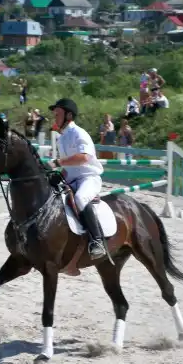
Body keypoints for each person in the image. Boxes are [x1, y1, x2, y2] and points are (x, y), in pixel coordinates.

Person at [46, 98, 106, 260]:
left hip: (88, 178)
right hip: (71, 179)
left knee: (80, 199)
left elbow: (84, 157)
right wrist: (59, 175)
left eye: (58, 114)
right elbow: (69, 167)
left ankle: (97, 241)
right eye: (55, 115)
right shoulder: (62, 138)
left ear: (69, 115)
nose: (55, 118)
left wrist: (57, 162)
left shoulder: (79, 133)